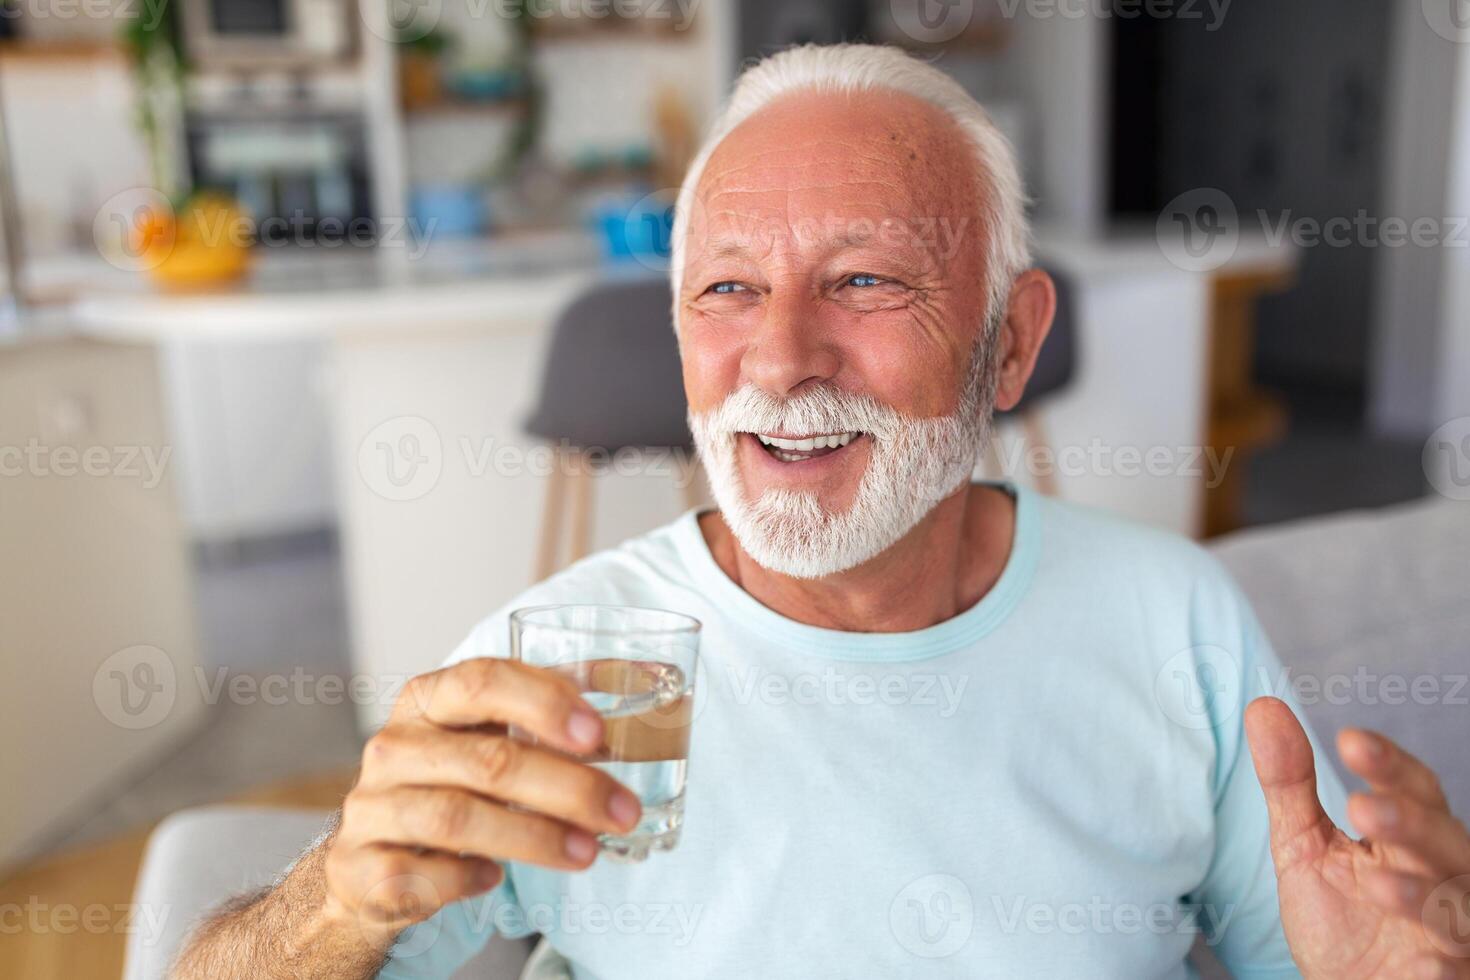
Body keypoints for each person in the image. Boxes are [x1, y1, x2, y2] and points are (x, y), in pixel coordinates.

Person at [176, 44, 1470, 979]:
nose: (780, 359)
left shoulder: (1172, 618)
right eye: (728, 291)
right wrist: (328, 905)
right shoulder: (556, 666)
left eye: (862, 281)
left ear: (1007, 348)